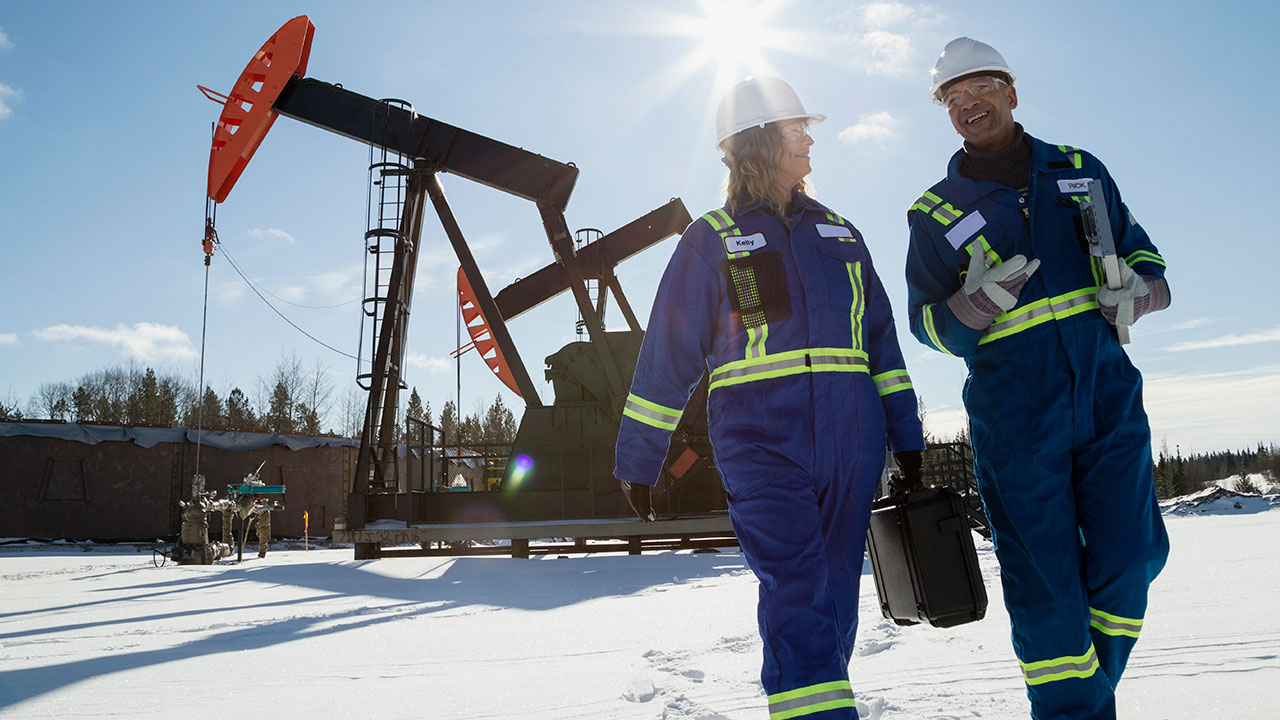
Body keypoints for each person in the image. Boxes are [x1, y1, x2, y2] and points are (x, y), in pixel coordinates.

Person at [615, 75, 925, 719]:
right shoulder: (712, 240)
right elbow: (667, 357)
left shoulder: (840, 235)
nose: (810, 139)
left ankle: (812, 703)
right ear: (759, 144)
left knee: (836, 592)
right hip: (760, 442)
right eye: (796, 129)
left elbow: (882, 346)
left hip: (852, 440)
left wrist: (907, 436)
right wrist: (639, 460)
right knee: (797, 587)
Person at [904, 37, 1171, 719]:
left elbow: (1144, 255)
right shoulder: (934, 211)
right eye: (952, 98)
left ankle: (1086, 697)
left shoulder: (1082, 169)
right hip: (1016, 415)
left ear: (1011, 92)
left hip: (1107, 396)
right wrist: (968, 309)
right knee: (1047, 590)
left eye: (980, 89)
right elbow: (926, 324)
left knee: (1134, 556)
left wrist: (1141, 292)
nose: (968, 104)